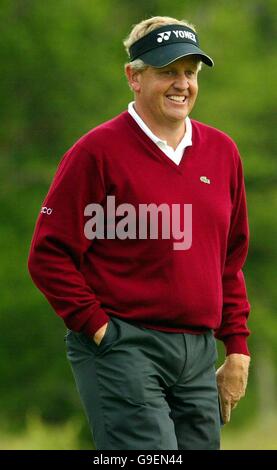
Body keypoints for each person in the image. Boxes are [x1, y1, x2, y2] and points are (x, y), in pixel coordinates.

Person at [28, 16, 251, 450]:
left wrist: (237, 347)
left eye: (189, 72)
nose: (181, 83)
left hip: (198, 353)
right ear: (134, 76)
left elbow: (230, 260)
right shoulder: (97, 153)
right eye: (167, 71)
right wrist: (99, 330)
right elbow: (48, 255)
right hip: (124, 344)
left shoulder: (223, 152)